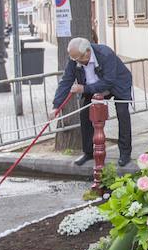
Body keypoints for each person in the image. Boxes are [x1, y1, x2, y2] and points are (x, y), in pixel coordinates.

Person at [52, 37, 133, 167]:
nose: (77, 62)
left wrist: (84, 88)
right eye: (75, 59)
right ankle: (88, 152)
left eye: (79, 59)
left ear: (88, 51)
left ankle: (125, 153)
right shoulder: (75, 58)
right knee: (85, 114)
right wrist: (56, 106)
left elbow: (109, 80)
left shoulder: (105, 54)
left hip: (118, 84)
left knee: (122, 114)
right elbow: (66, 81)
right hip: (93, 87)